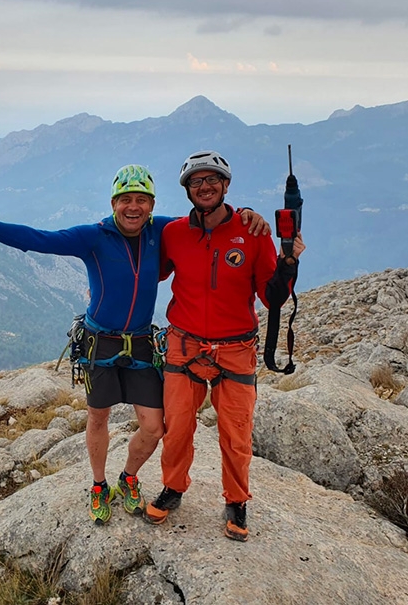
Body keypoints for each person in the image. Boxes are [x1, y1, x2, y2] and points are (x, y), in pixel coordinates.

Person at [0, 164, 269, 525]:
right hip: (99, 343)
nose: (133, 207)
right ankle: (99, 484)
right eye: (125, 200)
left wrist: (246, 215)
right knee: (98, 417)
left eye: (141, 200)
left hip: (139, 343)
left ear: (152, 205)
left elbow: (209, 217)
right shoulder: (94, 236)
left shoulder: (164, 229)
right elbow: (40, 239)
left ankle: (129, 477)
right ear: (113, 203)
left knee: (155, 427)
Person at [143, 150, 305, 542]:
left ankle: (236, 500)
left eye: (211, 179)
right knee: (177, 426)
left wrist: (288, 262)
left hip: (235, 347)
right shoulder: (174, 233)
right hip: (184, 343)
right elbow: (151, 267)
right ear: (187, 190)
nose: (204, 186)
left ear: (226, 185)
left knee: (236, 432)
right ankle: (173, 487)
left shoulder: (254, 233)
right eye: (196, 181)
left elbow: (273, 298)